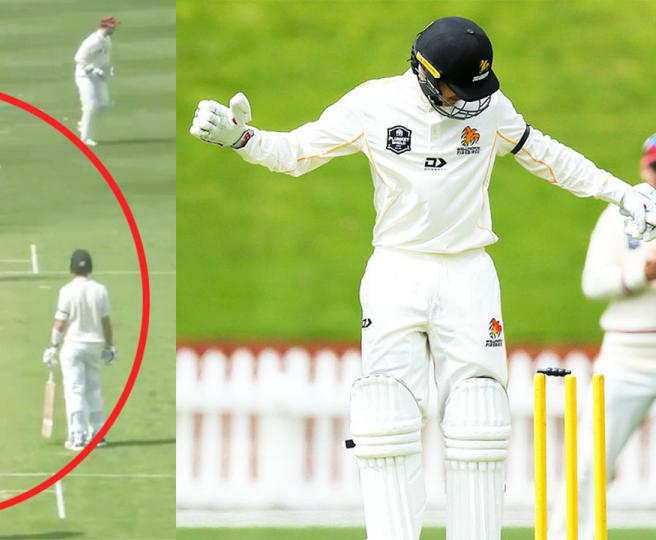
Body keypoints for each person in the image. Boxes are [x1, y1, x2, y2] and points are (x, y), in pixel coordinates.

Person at [188, 15, 656, 540]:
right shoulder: (372, 104)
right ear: (426, 75)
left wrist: (620, 192)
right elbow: (295, 153)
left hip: (469, 271)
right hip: (396, 269)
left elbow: (548, 156)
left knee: (479, 415)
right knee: (385, 416)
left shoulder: (492, 110)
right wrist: (241, 138)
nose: (472, 102)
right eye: (460, 90)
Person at [547, 135, 656, 539]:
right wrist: (638, 275)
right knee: (590, 460)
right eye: (655, 169)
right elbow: (593, 283)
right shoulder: (619, 215)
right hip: (629, 352)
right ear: (645, 168)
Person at [42, 249, 116, 451]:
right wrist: (110, 346)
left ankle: (77, 435)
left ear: (71, 268)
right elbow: (106, 322)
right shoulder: (100, 290)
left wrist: (53, 347)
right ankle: (99, 434)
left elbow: (60, 323)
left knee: (74, 390)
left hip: (73, 346)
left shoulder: (66, 291)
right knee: (93, 390)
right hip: (94, 346)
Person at [74, 16, 117, 146]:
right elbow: (78, 58)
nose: (114, 29)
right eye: (112, 26)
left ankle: (83, 123)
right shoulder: (92, 41)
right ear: (106, 27)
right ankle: (85, 138)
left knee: (104, 103)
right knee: (90, 107)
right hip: (85, 76)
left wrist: (108, 68)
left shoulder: (107, 40)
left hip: (98, 75)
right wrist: (92, 70)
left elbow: (105, 57)